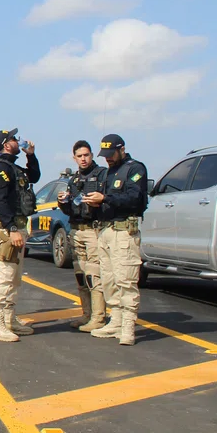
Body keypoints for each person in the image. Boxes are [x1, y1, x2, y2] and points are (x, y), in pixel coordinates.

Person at [85, 134, 149, 346]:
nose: (108, 159)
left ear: (122, 149)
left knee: (125, 279)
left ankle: (128, 326)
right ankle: (116, 320)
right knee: (109, 279)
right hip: (105, 231)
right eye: (105, 155)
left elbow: (134, 198)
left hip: (123, 232)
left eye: (111, 154)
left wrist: (106, 198)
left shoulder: (134, 169)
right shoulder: (108, 172)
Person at [0, 128, 41, 342]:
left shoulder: (12, 168)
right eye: (14, 139)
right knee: (5, 276)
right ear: (6, 145)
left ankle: (9, 319)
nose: (19, 141)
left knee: (15, 278)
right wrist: (11, 229)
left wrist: (31, 155)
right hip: (9, 230)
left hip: (18, 226)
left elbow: (34, 176)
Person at [57, 141, 108, 332]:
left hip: (93, 230)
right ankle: (86, 314)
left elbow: (108, 201)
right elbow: (70, 208)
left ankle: (98, 317)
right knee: (80, 275)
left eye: (86, 155)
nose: (83, 159)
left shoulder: (101, 175)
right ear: (74, 158)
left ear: (92, 155)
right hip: (76, 229)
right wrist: (63, 202)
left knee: (94, 275)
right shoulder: (74, 180)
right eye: (79, 156)